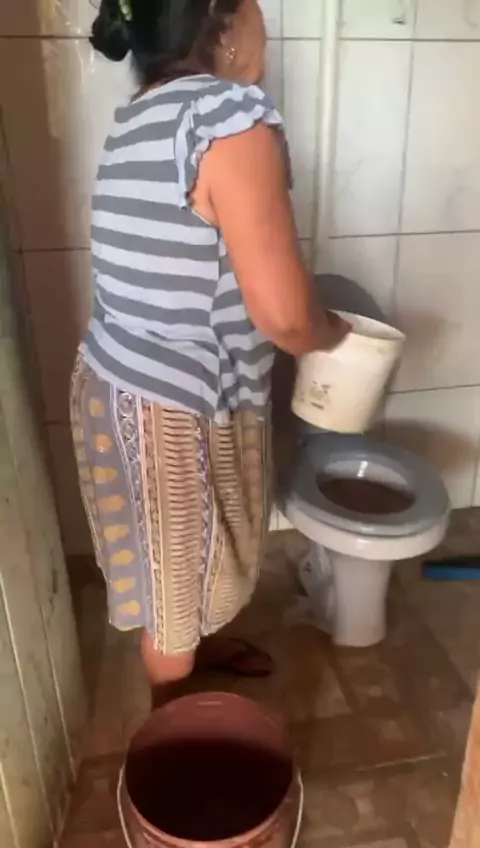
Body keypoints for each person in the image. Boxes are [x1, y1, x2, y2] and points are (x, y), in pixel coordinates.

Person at [70, 0, 350, 707]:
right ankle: (179, 734)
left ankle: (196, 647)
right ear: (223, 29)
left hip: (116, 382)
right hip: (176, 408)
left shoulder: (143, 115)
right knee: (178, 592)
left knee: (178, 568)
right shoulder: (228, 115)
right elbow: (286, 318)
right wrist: (332, 335)